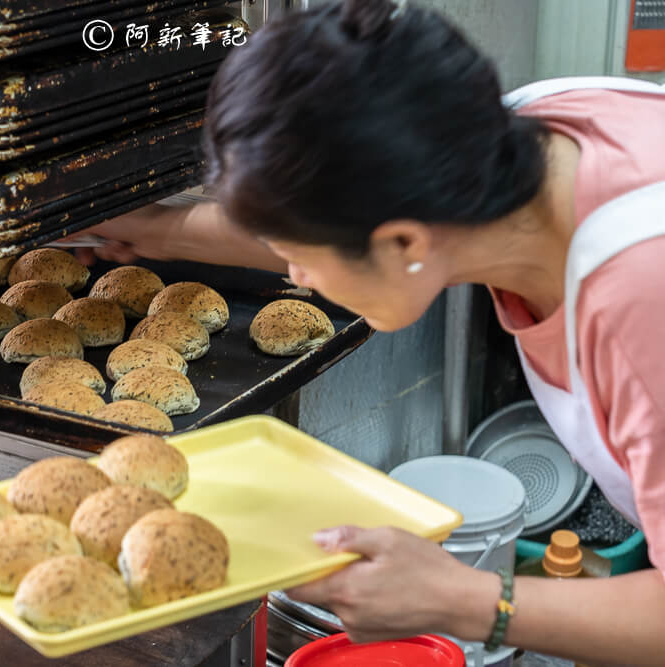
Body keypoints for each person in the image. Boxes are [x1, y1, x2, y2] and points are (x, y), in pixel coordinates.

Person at [76, 0, 665, 664]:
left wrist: (463, 599)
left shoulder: (639, 303)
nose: (294, 274)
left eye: (300, 258)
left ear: (404, 241)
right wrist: (157, 228)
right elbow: (337, 223)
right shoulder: (518, 137)